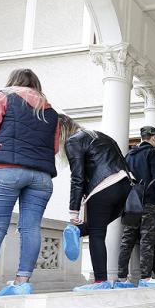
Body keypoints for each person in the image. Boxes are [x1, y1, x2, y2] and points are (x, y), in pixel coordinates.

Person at [0, 68, 60, 298]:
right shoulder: (51, 112)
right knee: (30, 228)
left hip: (6, 170)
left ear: (13, 81)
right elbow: (55, 148)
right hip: (41, 176)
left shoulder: (3, 96)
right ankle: (22, 283)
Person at [59, 115, 131, 291]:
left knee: (97, 233)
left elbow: (77, 177)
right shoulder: (102, 136)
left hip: (102, 188)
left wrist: (73, 212)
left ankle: (101, 281)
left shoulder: (73, 141)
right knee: (96, 226)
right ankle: (77, 230)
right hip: (125, 188)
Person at [115, 125, 155, 288]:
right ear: (152, 137)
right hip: (149, 201)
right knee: (148, 240)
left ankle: (122, 278)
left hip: (131, 203)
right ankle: (146, 278)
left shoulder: (128, 155)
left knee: (127, 240)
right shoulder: (153, 153)